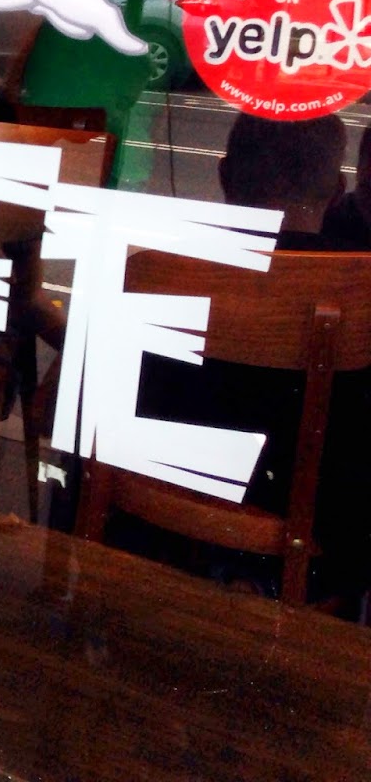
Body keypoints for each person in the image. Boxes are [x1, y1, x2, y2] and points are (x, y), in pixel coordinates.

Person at [134, 112, 370, 602]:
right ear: (337, 191)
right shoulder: (356, 293)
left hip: (158, 523)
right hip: (307, 553)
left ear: (223, 174)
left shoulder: (161, 268)